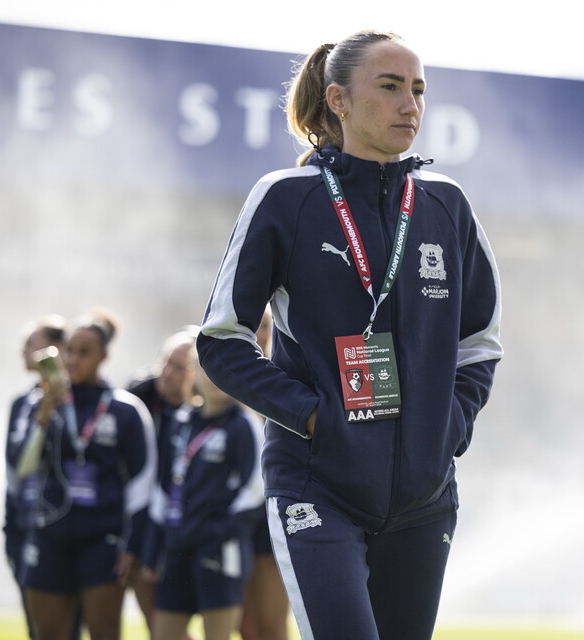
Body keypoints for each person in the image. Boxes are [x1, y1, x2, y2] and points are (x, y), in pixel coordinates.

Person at [197, 30, 503, 640]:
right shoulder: (286, 197)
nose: (409, 104)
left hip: (424, 498)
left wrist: (449, 428)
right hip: (320, 486)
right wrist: (314, 418)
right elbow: (223, 339)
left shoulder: (447, 205)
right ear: (337, 100)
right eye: (389, 88)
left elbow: (480, 343)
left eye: (417, 90)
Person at [19, 309, 156, 640]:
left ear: (104, 356)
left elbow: (142, 481)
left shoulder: (126, 410)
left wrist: (133, 544)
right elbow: (21, 467)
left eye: (84, 352)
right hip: (50, 534)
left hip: (103, 539)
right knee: (48, 634)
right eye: (69, 350)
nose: (73, 360)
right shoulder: (41, 402)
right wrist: (44, 415)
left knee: (104, 632)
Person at [145, 359, 266, 640]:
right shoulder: (181, 420)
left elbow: (256, 488)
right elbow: (163, 488)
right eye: (206, 368)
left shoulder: (244, 423)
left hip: (221, 548)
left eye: (222, 368)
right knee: (163, 634)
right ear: (193, 373)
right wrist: (156, 545)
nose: (214, 376)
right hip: (177, 545)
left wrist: (220, 530)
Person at [126, 326, 200, 639]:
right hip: (143, 521)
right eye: (166, 362)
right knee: (159, 627)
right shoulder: (137, 395)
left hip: (192, 526)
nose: (167, 373)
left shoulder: (209, 411)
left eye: (180, 367)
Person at [4, 314, 70, 640]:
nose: (23, 351)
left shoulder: (79, 400)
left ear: (56, 349)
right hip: (23, 527)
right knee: (38, 630)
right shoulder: (21, 403)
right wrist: (10, 526)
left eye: (31, 343)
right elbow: (17, 468)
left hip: (66, 530)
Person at [238, 308, 291, 640]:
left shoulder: (283, 376)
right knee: (244, 626)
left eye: (265, 327)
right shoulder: (222, 373)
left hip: (272, 509)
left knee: (272, 623)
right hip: (235, 514)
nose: (257, 333)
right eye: (251, 325)